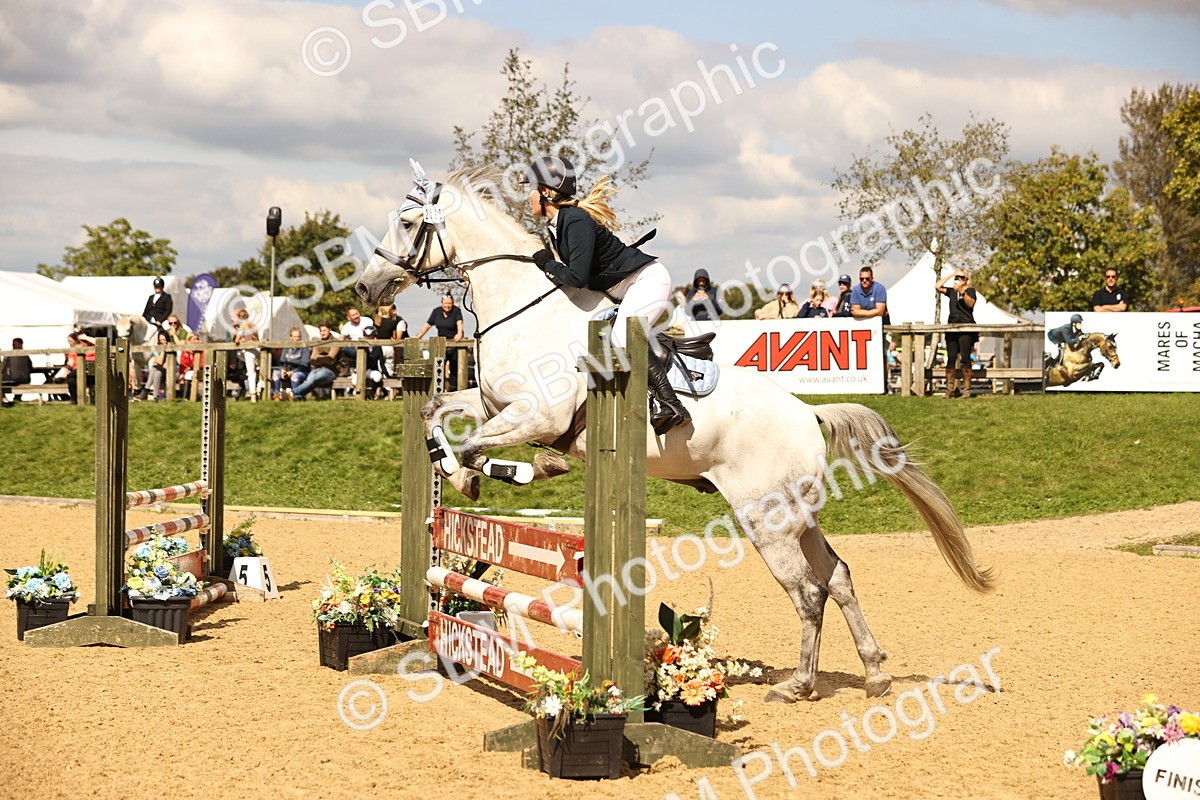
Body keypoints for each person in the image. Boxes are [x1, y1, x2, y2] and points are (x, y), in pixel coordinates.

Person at [521, 154, 688, 434]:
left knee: (623, 337)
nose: (529, 196)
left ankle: (670, 404)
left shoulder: (575, 220)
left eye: (533, 188)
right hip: (623, 287)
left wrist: (547, 263)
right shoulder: (558, 224)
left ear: (547, 192)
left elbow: (577, 277)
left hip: (646, 281)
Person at [937, 270, 978, 399]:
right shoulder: (951, 292)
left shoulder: (970, 291)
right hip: (952, 326)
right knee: (951, 357)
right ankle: (949, 390)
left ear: (966, 279)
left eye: (961, 277)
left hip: (966, 326)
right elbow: (938, 286)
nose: (959, 279)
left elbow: (970, 303)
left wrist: (961, 291)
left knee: (965, 358)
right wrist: (951, 275)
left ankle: (966, 390)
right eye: (957, 277)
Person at [292, 323, 341, 400]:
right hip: (317, 369)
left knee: (312, 380)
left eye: (324, 330)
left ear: (329, 330)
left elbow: (329, 359)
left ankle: (292, 392)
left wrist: (318, 357)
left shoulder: (336, 342)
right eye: (321, 331)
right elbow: (312, 360)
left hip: (330, 371)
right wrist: (323, 358)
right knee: (309, 381)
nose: (323, 333)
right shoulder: (318, 342)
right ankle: (297, 397)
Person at [271, 326, 311, 401]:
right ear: (291, 337)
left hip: (301, 372)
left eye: (298, 337)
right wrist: (282, 370)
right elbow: (282, 362)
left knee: (295, 376)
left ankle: (295, 396)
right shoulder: (287, 348)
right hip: (288, 371)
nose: (297, 339)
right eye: (295, 337)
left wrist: (292, 372)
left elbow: (304, 365)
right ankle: (276, 395)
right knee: (276, 374)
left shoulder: (304, 348)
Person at [61, 331, 96, 405]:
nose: (82, 342)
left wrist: (85, 337)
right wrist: (64, 373)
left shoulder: (93, 348)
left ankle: (69, 376)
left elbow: (99, 343)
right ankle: (74, 401)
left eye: (84, 341)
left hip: (91, 374)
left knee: (74, 374)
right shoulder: (75, 350)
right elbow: (70, 363)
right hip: (78, 375)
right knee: (71, 380)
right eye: (80, 341)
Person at [2, 338, 33, 407]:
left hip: (13, 380)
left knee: (2, 382)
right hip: (26, 380)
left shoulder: (9, 355)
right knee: (19, 377)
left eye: (14, 344)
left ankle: (4, 400)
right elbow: (30, 367)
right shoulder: (26, 355)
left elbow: (2, 368)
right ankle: (17, 398)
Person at [142, 330, 170, 401]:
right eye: (161, 340)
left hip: (169, 371)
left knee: (155, 369)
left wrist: (163, 350)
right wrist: (162, 351)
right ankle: (155, 396)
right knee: (156, 372)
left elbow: (162, 363)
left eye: (164, 340)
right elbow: (159, 361)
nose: (162, 342)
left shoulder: (170, 348)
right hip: (159, 370)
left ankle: (146, 390)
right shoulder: (157, 348)